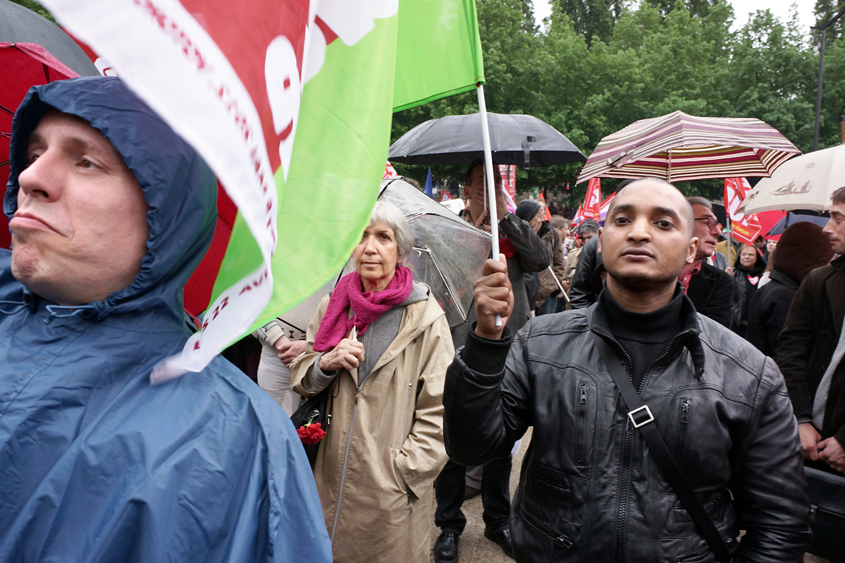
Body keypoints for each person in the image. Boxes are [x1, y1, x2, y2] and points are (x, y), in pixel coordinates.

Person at [0, 77, 331, 561]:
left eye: (86, 161)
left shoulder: (237, 440)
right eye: (32, 154)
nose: (30, 178)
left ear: (164, 213)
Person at [443, 177, 811, 562]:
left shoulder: (748, 374)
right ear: (601, 243)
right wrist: (485, 340)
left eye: (663, 223)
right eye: (622, 220)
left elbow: (780, 524)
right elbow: (472, 448)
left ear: (691, 252)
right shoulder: (540, 342)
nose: (638, 232)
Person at [289, 201, 454, 562]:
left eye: (383, 237)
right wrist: (325, 363)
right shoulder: (334, 306)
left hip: (389, 488)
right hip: (326, 477)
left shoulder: (425, 318)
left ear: (401, 250)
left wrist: (405, 472)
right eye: (362, 236)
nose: (371, 247)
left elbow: (441, 411)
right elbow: (301, 376)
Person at [434, 162, 552, 563]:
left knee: (501, 441)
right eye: (479, 185)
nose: (486, 191)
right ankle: (448, 523)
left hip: (507, 345)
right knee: (451, 439)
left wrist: (505, 219)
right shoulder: (446, 225)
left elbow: (541, 259)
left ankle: (498, 519)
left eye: (494, 184)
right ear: (466, 190)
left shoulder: (513, 232)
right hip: (457, 343)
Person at [778, 186, 845, 475]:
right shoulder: (819, 281)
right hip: (807, 444)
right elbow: (790, 351)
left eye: (838, 219)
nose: (827, 228)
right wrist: (800, 418)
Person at [746, 222, 833, 358]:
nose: (825, 268)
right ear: (806, 260)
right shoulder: (786, 296)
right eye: (822, 262)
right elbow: (787, 353)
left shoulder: (773, 288)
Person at [679, 197, 735, 327]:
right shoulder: (646, 272)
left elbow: (716, 337)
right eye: (707, 222)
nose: (717, 232)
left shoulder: (720, 281)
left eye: (717, 225)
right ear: (678, 223)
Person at [253, 321, 308, 415]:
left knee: (324, 421)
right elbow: (253, 310)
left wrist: (311, 346)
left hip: (323, 352)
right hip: (277, 353)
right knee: (276, 420)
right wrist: (282, 344)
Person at [728, 244, 766, 338]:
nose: (747, 257)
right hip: (738, 325)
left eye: (751, 254)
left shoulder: (764, 276)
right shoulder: (733, 275)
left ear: (757, 257)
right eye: (744, 254)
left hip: (758, 325)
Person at [536, 208, 567, 316]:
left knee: (546, 328)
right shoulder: (523, 232)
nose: (538, 216)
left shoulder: (553, 234)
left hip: (547, 292)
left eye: (540, 211)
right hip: (527, 290)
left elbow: (559, 261)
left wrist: (555, 285)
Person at [565, 220, 600, 307]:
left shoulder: (607, 256)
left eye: (590, 238)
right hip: (576, 307)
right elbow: (566, 278)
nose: (586, 241)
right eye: (583, 239)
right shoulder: (573, 255)